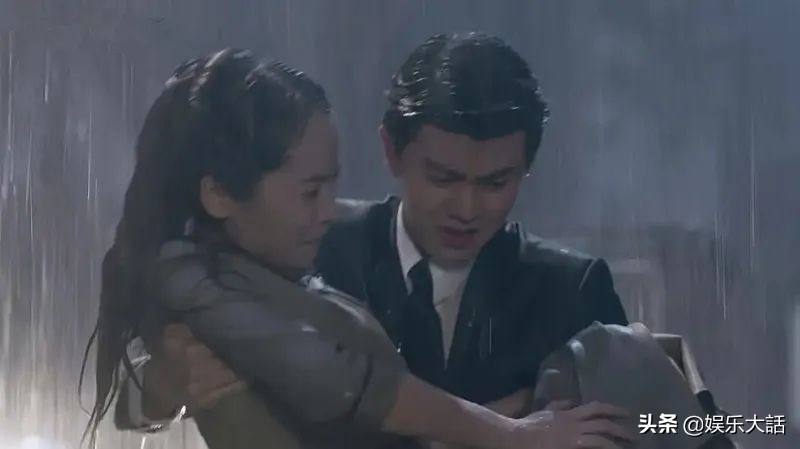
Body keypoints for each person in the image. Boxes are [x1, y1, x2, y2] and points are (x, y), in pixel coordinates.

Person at [84, 48, 633, 449]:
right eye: (443, 178)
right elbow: (142, 384)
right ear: (391, 152)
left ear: (527, 170)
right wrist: (165, 386)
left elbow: (637, 426)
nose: (467, 207)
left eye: (495, 183)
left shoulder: (571, 288)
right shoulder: (299, 241)